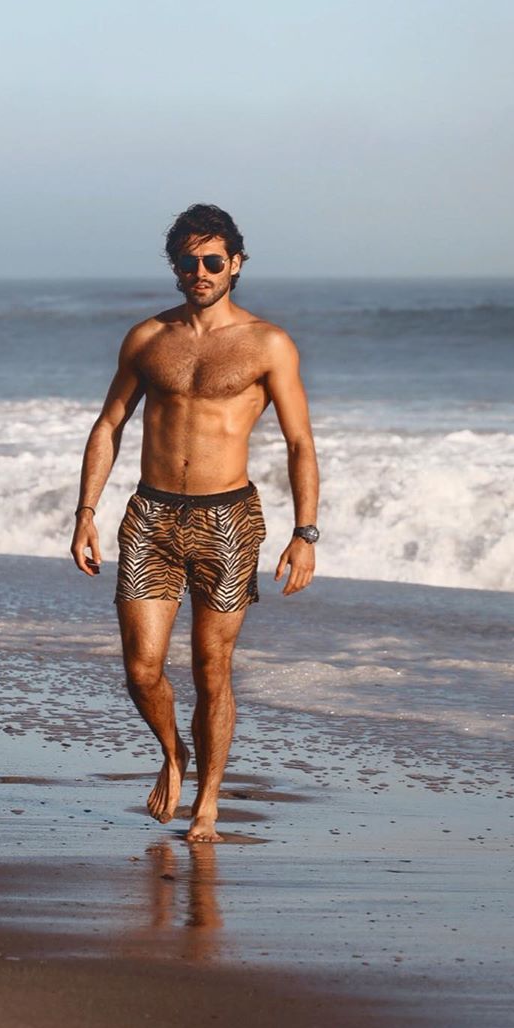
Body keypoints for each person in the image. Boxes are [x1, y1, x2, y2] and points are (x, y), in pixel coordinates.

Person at [70, 204, 320, 843]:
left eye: (213, 261)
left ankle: (207, 803)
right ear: (176, 268)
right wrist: (86, 513)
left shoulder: (268, 344)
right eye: (188, 262)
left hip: (227, 520)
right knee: (142, 670)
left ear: (236, 264)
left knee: (213, 668)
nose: (200, 272)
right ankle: (172, 752)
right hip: (151, 515)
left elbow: (299, 444)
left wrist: (305, 533)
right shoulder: (148, 339)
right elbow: (109, 425)